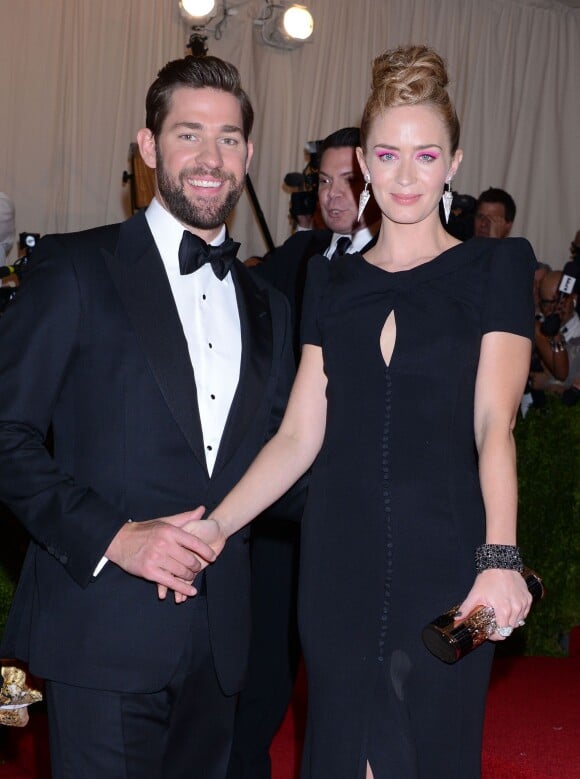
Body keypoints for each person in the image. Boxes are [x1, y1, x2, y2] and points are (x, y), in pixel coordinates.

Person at [182, 45, 536, 778]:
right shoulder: (331, 280)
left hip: (447, 561)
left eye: (426, 154)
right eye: (388, 155)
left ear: (454, 163)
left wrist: (499, 557)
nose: (407, 175)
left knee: (424, 754)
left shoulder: (494, 268)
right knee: (345, 756)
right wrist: (218, 523)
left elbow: (493, 424)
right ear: (363, 167)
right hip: (336, 563)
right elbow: (298, 434)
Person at [0, 55, 294, 779]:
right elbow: (6, 435)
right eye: (188, 134)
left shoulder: (272, 307)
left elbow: (289, 457)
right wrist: (117, 537)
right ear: (148, 144)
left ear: (249, 156)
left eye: (228, 138)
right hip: (100, 625)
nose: (210, 157)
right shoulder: (74, 269)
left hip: (223, 644)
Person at [226, 126, 379, 779]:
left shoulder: (409, 262)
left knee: (358, 669)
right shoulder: (296, 256)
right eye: (323, 180)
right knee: (264, 655)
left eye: (348, 180)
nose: (334, 195)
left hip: (371, 502)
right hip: (286, 499)